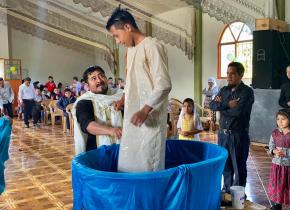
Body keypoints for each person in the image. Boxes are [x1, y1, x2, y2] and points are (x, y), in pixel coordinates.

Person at [106, 7, 172, 172]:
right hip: (133, 115)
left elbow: (163, 84)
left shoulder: (152, 45)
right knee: (129, 161)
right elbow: (131, 82)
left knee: (149, 164)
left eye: (116, 35)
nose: (118, 41)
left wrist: (145, 110)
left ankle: (150, 198)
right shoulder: (130, 51)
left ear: (128, 27)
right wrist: (123, 99)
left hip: (150, 117)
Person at [210, 62, 254, 193]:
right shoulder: (224, 90)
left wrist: (222, 107)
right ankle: (227, 193)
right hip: (223, 135)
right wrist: (228, 104)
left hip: (238, 135)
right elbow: (212, 105)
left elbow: (238, 112)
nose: (228, 76)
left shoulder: (247, 92)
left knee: (239, 167)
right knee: (226, 166)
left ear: (240, 75)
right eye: (227, 73)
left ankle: (238, 197)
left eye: (232, 74)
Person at [72, 66, 123, 154]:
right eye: (94, 78)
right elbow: (87, 125)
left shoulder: (121, 96)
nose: (99, 80)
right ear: (87, 85)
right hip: (97, 151)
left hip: (123, 148)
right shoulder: (84, 101)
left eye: (101, 76)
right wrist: (110, 130)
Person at [267, 109, 290, 210]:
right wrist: (273, 151)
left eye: (283, 119)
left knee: (288, 186)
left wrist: (286, 153)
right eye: (278, 119)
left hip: (288, 167)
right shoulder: (274, 133)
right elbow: (270, 146)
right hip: (277, 166)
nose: (280, 122)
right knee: (277, 186)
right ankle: (277, 205)